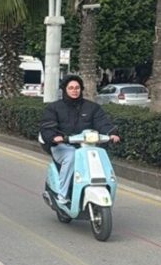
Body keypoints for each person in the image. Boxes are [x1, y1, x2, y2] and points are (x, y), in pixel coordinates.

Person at [39, 74, 119, 206]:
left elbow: (102, 122)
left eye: (77, 88)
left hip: (86, 146)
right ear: (65, 90)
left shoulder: (92, 108)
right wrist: (54, 137)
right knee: (71, 156)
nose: (74, 90)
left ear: (81, 89)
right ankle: (62, 195)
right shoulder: (53, 108)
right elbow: (47, 125)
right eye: (71, 88)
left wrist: (112, 133)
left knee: (99, 156)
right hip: (63, 146)